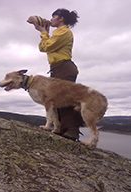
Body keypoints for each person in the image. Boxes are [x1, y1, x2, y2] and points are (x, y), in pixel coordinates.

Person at [33, 8, 83, 141]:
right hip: (57, 68)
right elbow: (48, 45)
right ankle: (61, 128)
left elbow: (45, 47)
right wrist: (46, 33)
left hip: (64, 68)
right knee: (56, 99)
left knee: (65, 99)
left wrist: (43, 33)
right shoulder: (58, 33)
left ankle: (72, 131)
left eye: (53, 16)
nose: (51, 19)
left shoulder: (65, 32)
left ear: (61, 18)